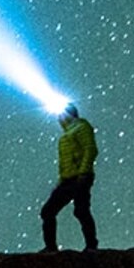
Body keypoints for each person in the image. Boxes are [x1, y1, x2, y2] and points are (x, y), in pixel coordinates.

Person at [40, 104, 99, 251]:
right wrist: (61, 180)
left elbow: (90, 149)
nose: (58, 117)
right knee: (47, 211)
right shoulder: (65, 135)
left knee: (81, 210)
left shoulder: (82, 127)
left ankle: (91, 246)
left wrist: (84, 172)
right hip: (67, 180)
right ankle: (50, 247)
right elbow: (64, 162)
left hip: (81, 177)